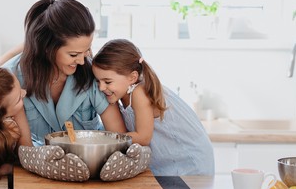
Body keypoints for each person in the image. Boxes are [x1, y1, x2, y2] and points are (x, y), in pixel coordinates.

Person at [0, 0, 151, 181]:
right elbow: (25, 149)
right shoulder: (14, 79)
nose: (81, 61)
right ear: (48, 48)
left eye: (86, 51)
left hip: (92, 169)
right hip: (37, 173)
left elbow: (117, 136)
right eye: (73, 54)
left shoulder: (91, 74)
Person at [92, 39, 215, 176]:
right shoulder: (124, 94)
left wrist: (106, 139)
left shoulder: (140, 92)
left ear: (132, 77)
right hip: (170, 161)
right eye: (98, 81)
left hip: (190, 160)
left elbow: (143, 137)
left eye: (107, 82)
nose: (101, 87)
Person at [0, 67, 91, 181]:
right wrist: (1, 171)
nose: (24, 93)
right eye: (19, 98)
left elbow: (26, 149)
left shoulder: (12, 111)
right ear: (1, 116)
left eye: (20, 89)